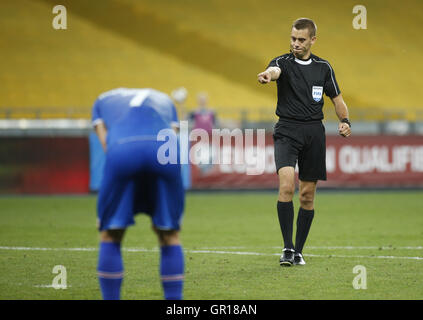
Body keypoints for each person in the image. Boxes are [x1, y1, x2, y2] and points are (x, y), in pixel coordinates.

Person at [257, 18, 351, 266]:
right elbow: (275, 71)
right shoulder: (281, 62)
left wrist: (345, 121)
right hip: (287, 129)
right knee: (287, 186)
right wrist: (268, 75)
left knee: (307, 196)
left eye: (300, 39)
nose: (295, 44)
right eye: (292, 39)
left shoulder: (323, 67)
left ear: (312, 40)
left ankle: (298, 251)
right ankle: (287, 248)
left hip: (313, 133)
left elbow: (337, 98)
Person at [91, 87, 185, 299]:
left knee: (110, 232)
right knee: (169, 234)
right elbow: (172, 138)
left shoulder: (101, 100)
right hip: (164, 153)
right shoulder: (164, 99)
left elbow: (106, 143)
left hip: (123, 150)